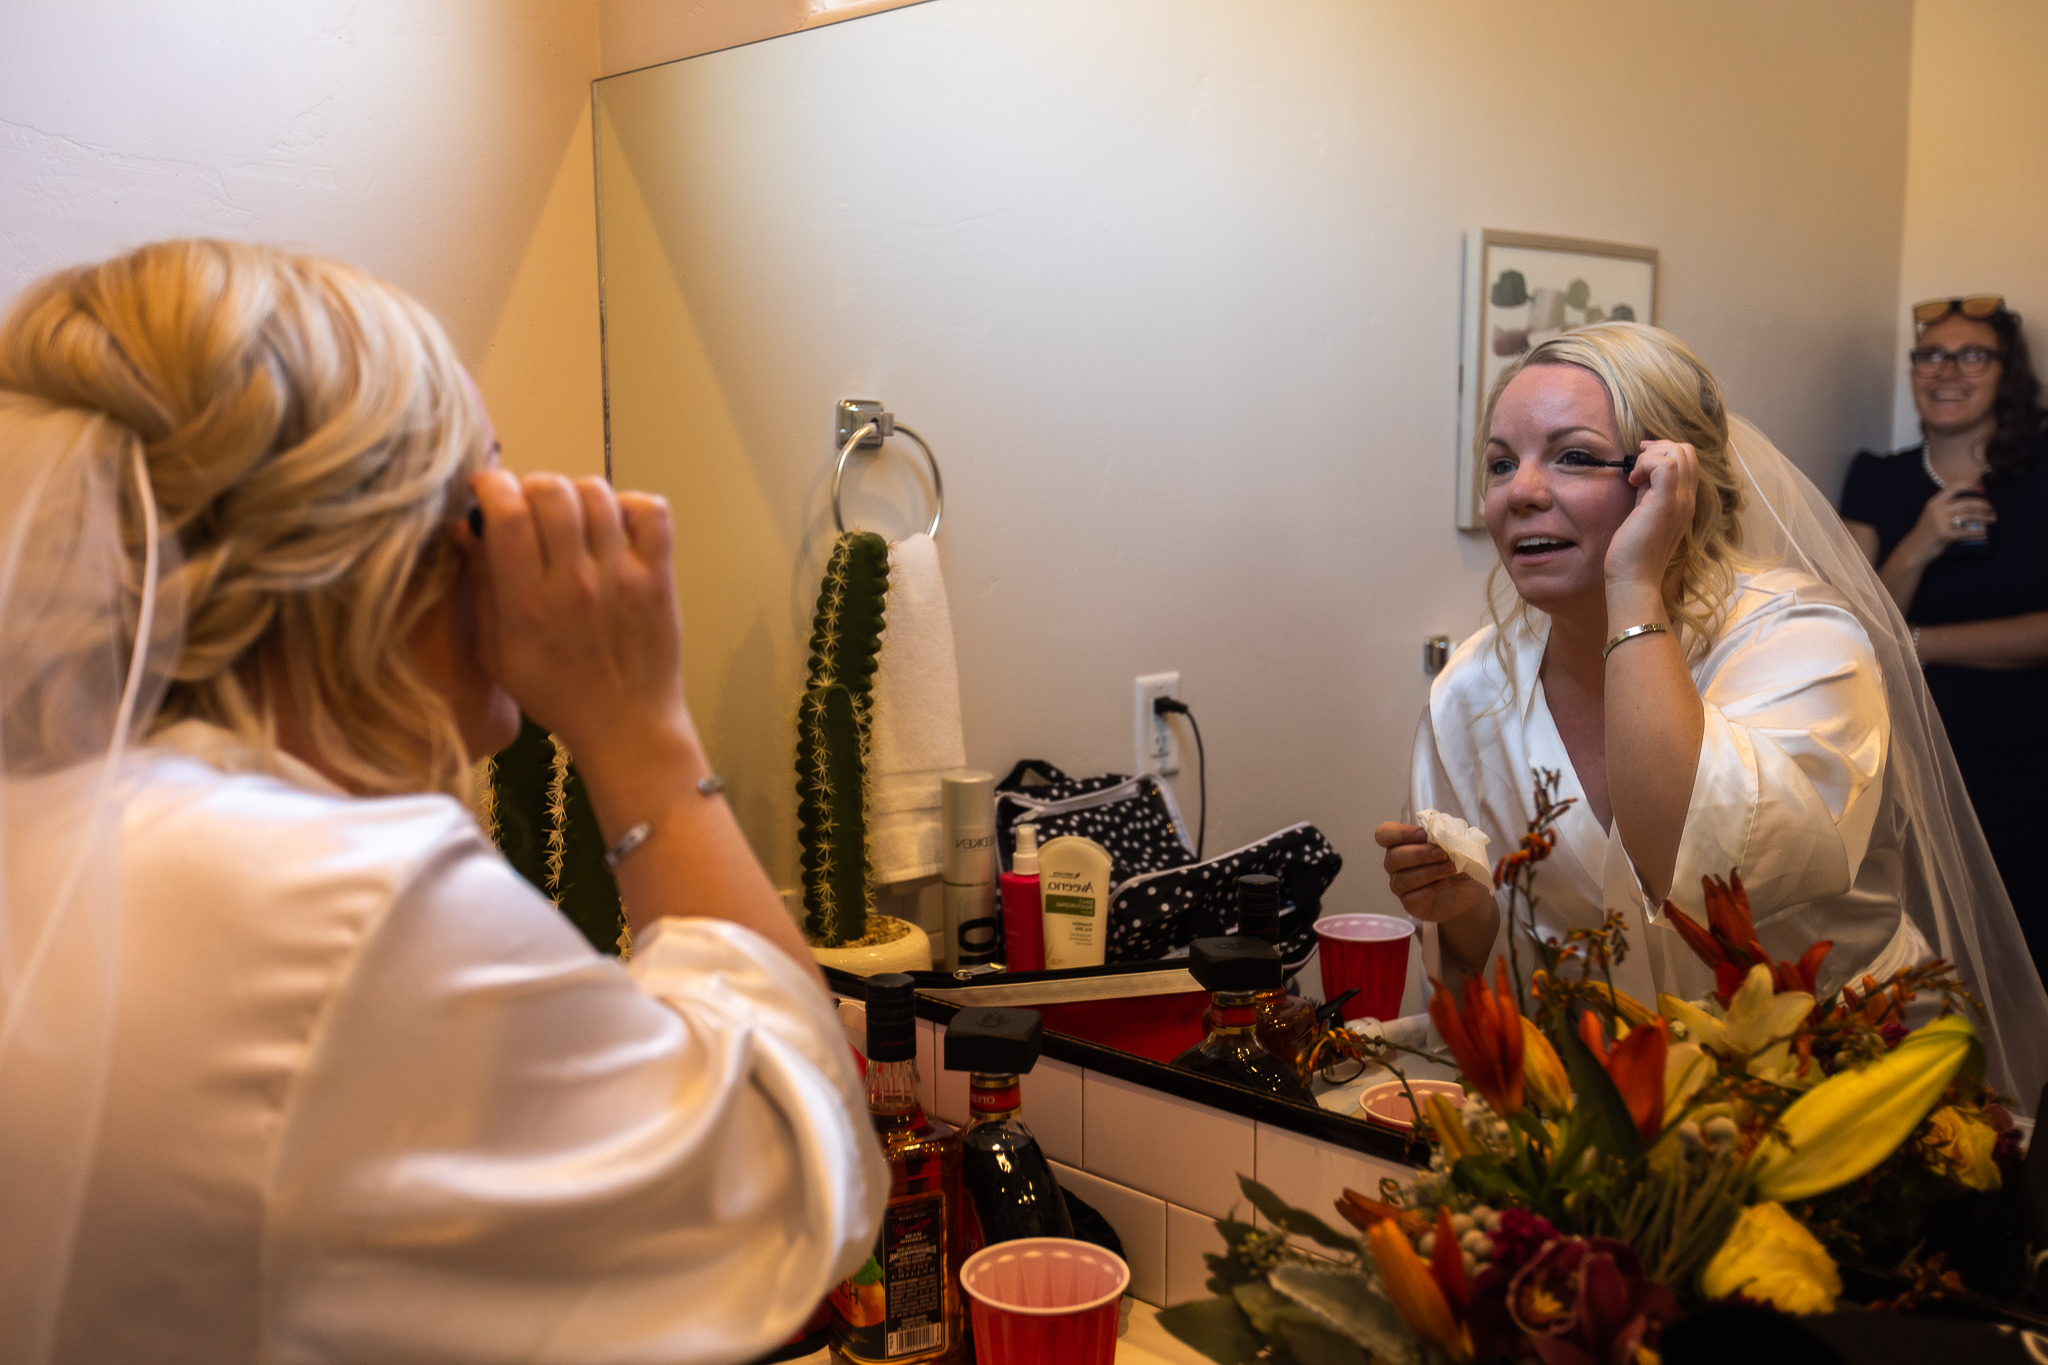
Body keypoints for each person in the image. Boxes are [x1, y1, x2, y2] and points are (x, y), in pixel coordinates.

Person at [0, 240, 885, 1364]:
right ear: (378, 558)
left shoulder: (55, 826)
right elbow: (788, 1190)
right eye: (487, 506)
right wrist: (642, 736)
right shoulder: (338, 902)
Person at [1374, 321, 2048, 1107]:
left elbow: (1697, 872)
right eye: (1500, 462)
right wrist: (1464, 914)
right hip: (1621, 1116)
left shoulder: (1804, 645)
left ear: (1671, 481)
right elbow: (1505, 979)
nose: (1519, 490)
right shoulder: (1469, 693)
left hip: (1845, 1096)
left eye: (1573, 455)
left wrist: (1634, 585)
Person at [1839, 296, 2048, 972]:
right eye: (1931, 353)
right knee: (1929, 961)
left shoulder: (2039, 474)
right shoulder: (1876, 478)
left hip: (2029, 763)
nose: (1946, 369)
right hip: (1913, 761)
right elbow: (1850, 629)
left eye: (1971, 354)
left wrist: (1919, 644)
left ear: (2006, 372)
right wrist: (1919, 544)